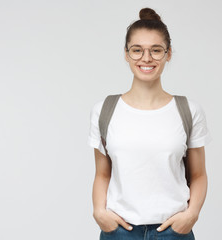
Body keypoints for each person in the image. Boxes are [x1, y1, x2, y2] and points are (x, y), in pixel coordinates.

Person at [87, 7, 212, 240]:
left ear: (168, 53)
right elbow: (102, 174)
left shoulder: (188, 111)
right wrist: (99, 212)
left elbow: (198, 175)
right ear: (126, 54)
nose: (146, 58)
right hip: (119, 232)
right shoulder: (105, 110)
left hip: (173, 232)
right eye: (137, 50)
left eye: (156, 50)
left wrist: (192, 214)